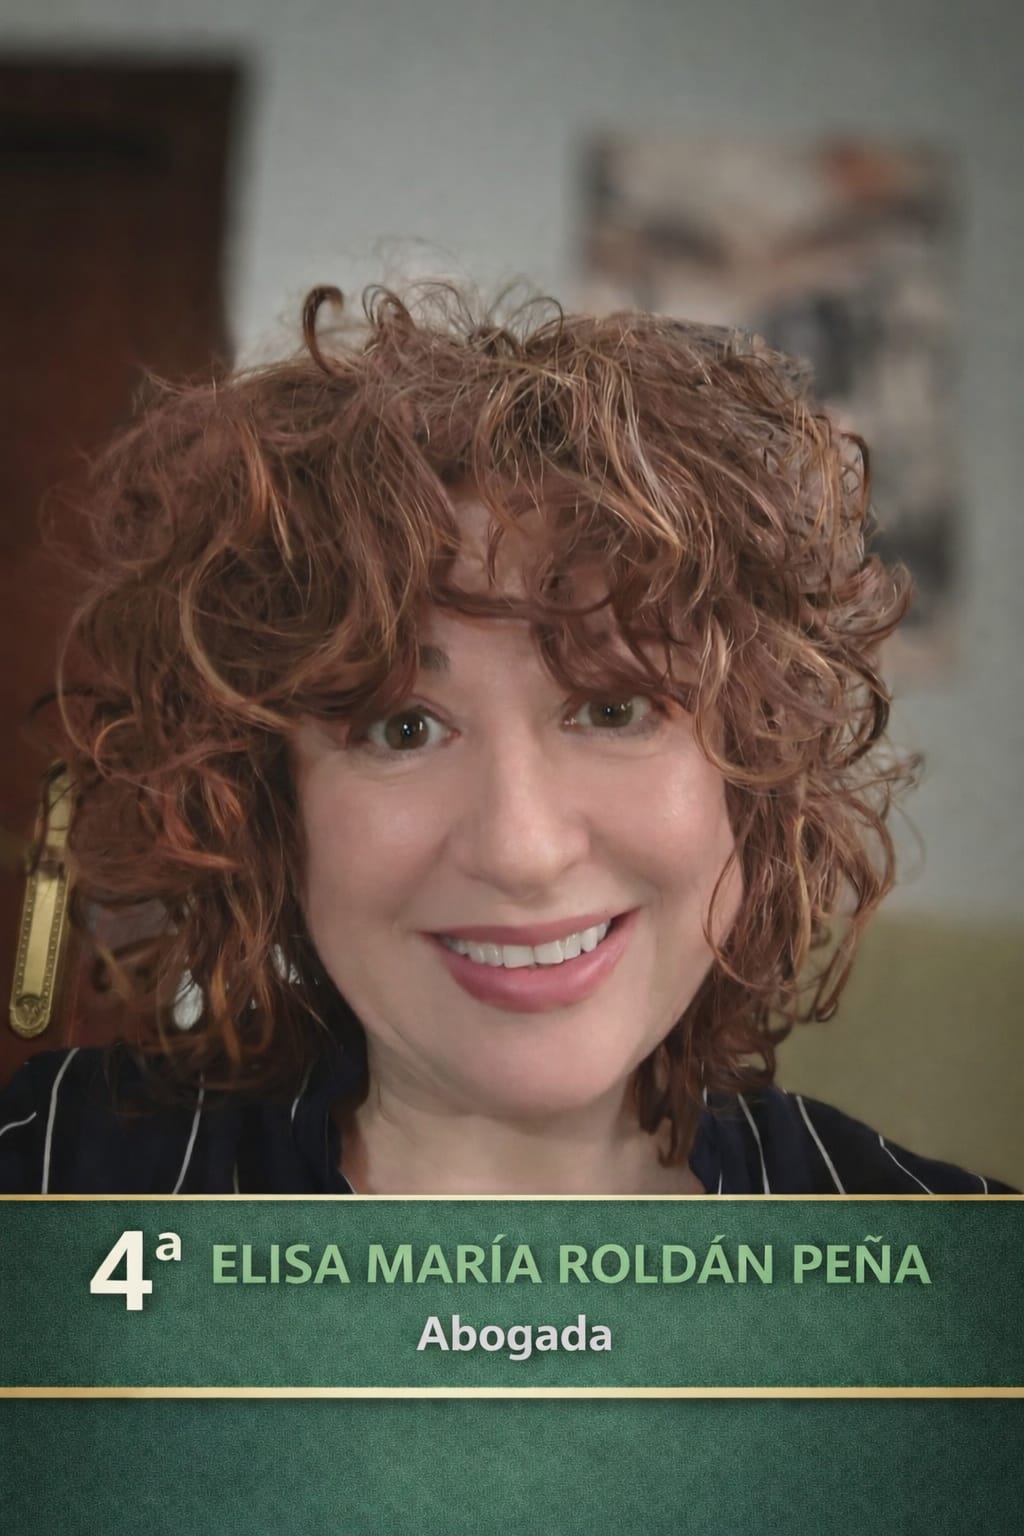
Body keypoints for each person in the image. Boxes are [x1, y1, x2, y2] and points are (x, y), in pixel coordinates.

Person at [0, 284, 1013, 1195]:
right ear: (270, 805)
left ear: (752, 774)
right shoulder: (54, 1187)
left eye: (612, 709)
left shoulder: (956, 1288)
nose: (522, 851)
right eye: (403, 728)